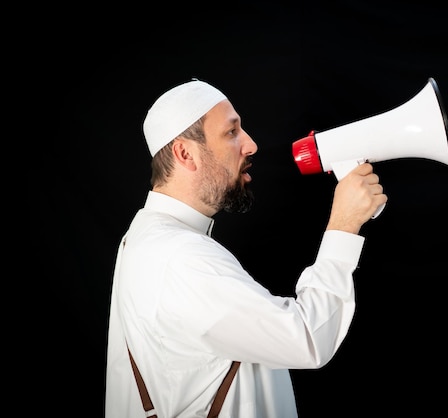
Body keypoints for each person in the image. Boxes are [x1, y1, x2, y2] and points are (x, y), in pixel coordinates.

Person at [105, 78, 387, 418]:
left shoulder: (147, 236)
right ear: (185, 153)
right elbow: (308, 339)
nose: (251, 145)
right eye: (231, 132)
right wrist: (344, 225)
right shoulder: (181, 258)